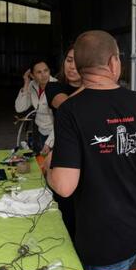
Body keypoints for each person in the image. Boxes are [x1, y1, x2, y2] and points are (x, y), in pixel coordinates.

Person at [48, 30, 136, 270]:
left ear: (78, 67)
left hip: (103, 243)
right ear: (113, 62)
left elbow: (64, 186)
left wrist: (49, 164)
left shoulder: (71, 111)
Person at [44, 45, 82, 241]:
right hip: (65, 156)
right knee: (65, 207)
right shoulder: (53, 87)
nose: (72, 66)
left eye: (78, 61)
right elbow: (66, 105)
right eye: (68, 60)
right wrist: (92, 85)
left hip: (90, 156)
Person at [15, 60, 57, 156]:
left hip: (55, 133)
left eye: (45, 70)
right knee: (41, 161)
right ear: (32, 76)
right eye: (39, 72)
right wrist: (26, 83)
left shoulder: (56, 86)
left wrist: (49, 143)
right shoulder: (32, 85)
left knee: (53, 163)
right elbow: (20, 108)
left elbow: (61, 121)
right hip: (40, 130)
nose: (43, 75)